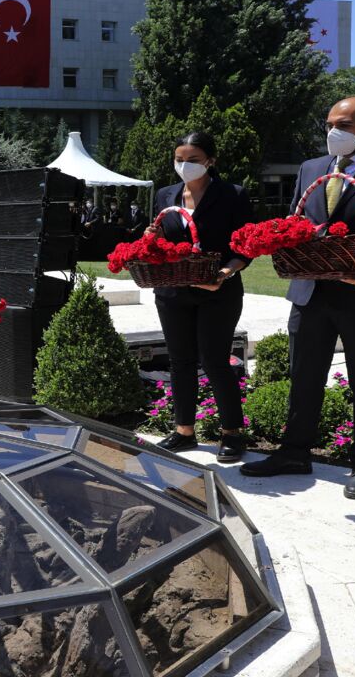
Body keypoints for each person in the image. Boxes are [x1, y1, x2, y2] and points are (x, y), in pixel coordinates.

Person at [241, 96, 355, 499]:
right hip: (309, 292)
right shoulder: (311, 168)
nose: (333, 132)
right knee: (304, 376)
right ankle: (294, 452)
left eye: (344, 124)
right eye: (329, 123)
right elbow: (295, 222)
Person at [149, 132, 255, 463]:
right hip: (172, 290)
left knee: (214, 360)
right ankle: (184, 432)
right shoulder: (166, 194)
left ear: (211, 160)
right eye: (179, 159)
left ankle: (232, 434)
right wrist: (151, 238)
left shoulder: (233, 195)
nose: (184, 165)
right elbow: (161, 241)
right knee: (179, 361)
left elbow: (245, 247)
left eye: (192, 159)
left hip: (217, 293)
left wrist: (225, 273)